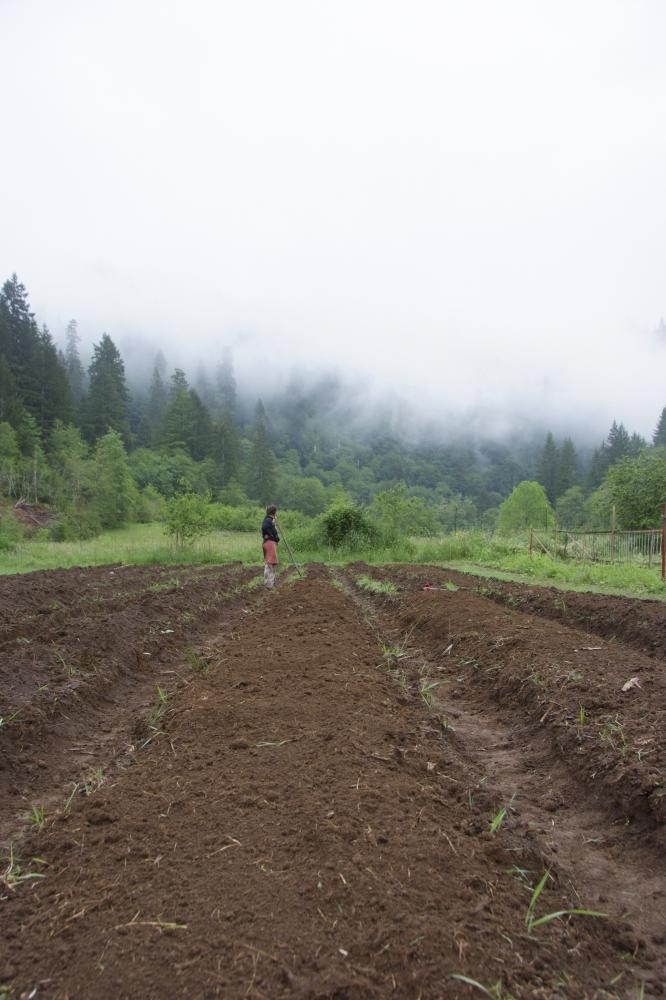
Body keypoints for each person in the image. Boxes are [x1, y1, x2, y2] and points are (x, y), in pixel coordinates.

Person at [261, 504, 280, 589]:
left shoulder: (269, 519)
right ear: (274, 512)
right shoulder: (268, 520)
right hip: (269, 543)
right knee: (270, 563)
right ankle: (269, 584)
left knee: (270, 563)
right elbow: (265, 527)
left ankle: (270, 583)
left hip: (268, 543)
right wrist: (271, 536)